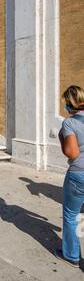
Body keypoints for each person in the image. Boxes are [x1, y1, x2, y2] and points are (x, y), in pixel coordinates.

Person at [57, 85, 84, 268]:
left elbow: (72, 153)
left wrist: (62, 138)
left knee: (71, 214)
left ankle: (72, 255)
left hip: (79, 173)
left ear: (69, 103)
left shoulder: (70, 122)